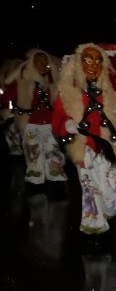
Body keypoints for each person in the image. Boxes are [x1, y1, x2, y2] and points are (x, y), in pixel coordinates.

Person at [51, 43, 116, 235]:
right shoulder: (69, 90)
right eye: (88, 60)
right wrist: (67, 124)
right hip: (84, 145)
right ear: (79, 63)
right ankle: (94, 225)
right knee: (90, 187)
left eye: (98, 60)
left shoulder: (113, 88)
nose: (93, 65)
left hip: (108, 145)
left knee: (115, 185)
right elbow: (58, 118)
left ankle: (109, 212)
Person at [4, 48, 67, 191]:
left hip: (50, 124)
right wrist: (11, 108)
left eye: (45, 62)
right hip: (30, 124)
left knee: (53, 151)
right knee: (34, 153)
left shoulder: (53, 82)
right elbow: (7, 97)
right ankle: (35, 182)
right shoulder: (23, 81)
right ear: (32, 63)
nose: (42, 65)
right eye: (38, 62)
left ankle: (56, 179)